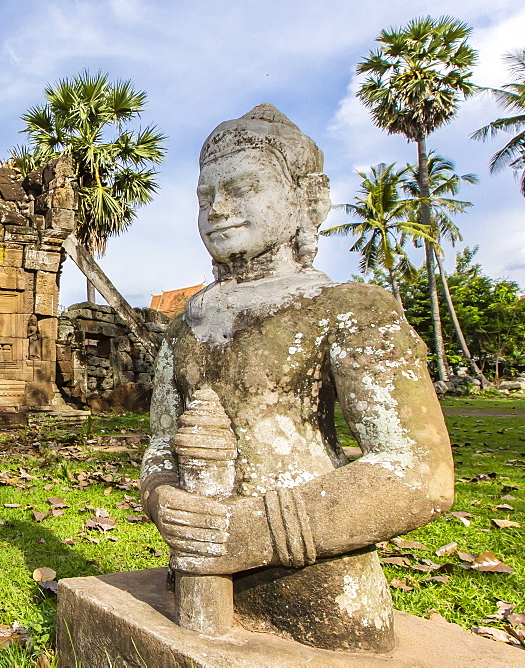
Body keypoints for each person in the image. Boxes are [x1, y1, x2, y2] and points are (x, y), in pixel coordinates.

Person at [140, 104, 454, 652]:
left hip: (320, 587)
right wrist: (162, 497)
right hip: (195, 580)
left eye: (243, 187)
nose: (218, 208)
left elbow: (420, 472)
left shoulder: (349, 309)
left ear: (307, 201)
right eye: (204, 194)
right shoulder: (183, 326)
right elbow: (162, 450)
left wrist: (250, 533)